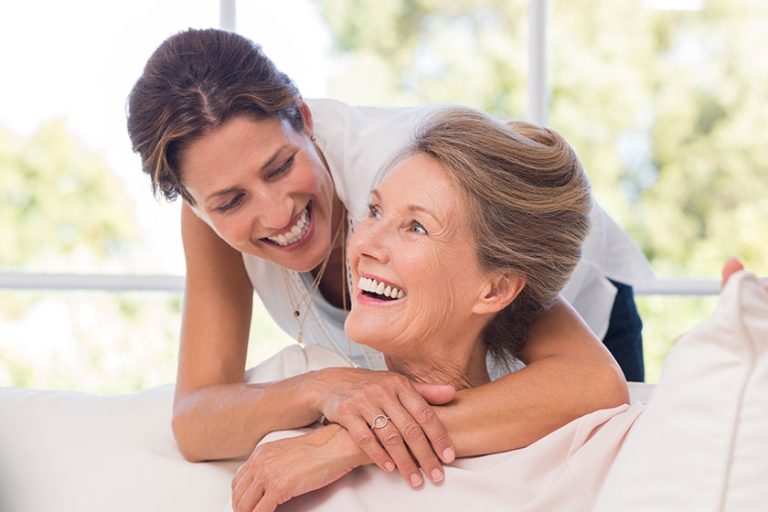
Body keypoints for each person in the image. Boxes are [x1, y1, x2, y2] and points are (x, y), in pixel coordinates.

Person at [126, 28, 648, 486]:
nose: (276, 212)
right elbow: (196, 417)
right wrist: (325, 388)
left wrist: (346, 444)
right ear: (197, 205)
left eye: (280, 166)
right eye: (231, 202)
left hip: (577, 309)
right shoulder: (210, 209)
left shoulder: (403, 179)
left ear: (304, 119)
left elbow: (590, 382)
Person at [228, 107, 626, 511]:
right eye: (375, 211)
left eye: (416, 227)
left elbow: (598, 383)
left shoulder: (581, 458)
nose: (363, 243)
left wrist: (351, 442)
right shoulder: (292, 421)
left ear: (496, 290)